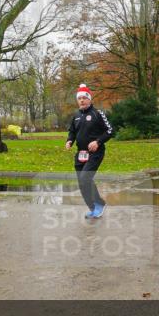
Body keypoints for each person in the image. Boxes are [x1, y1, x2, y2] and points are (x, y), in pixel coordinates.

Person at [65, 84, 114, 219]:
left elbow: (110, 131)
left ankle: (100, 204)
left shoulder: (97, 114)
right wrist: (69, 141)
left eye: (84, 98)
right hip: (80, 154)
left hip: (95, 153)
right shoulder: (76, 115)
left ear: (89, 99)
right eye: (79, 98)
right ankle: (93, 208)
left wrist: (98, 142)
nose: (81, 100)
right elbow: (72, 131)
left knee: (85, 178)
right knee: (82, 183)